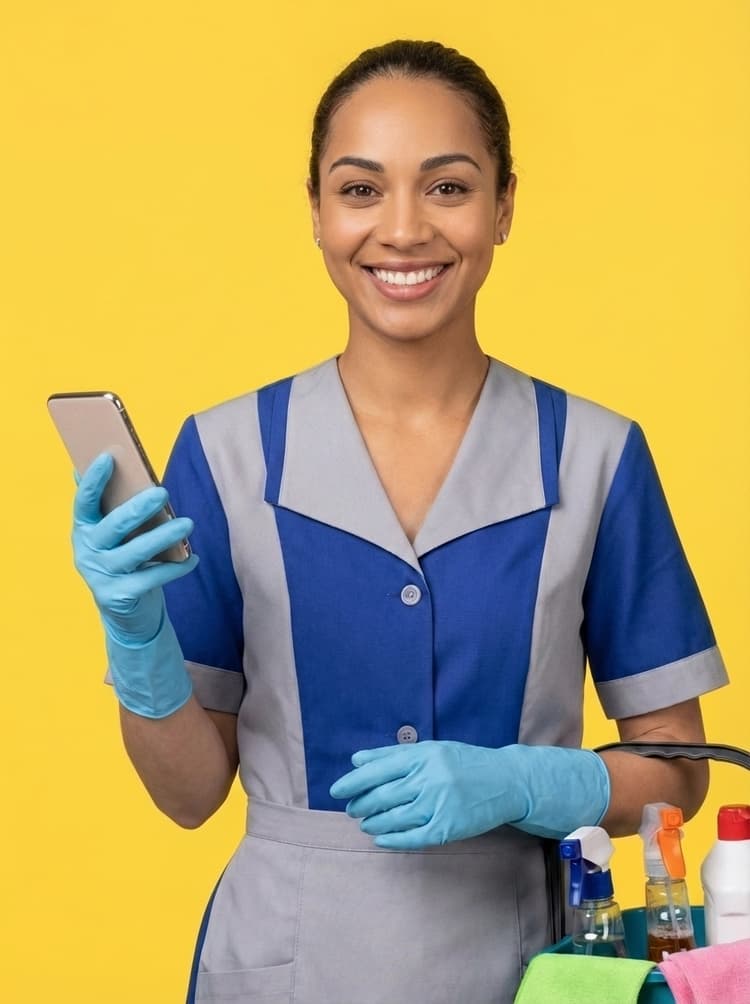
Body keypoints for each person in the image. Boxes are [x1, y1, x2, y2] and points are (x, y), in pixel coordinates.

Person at [70, 39, 728, 1004]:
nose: (405, 229)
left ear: (505, 206)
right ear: (318, 212)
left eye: (450, 187)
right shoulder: (226, 453)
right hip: (284, 963)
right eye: (362, 189)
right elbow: (187, 796)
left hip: (523, 964)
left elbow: (677, 772)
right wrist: (137, 643)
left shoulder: (597, 455)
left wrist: (527, 783)